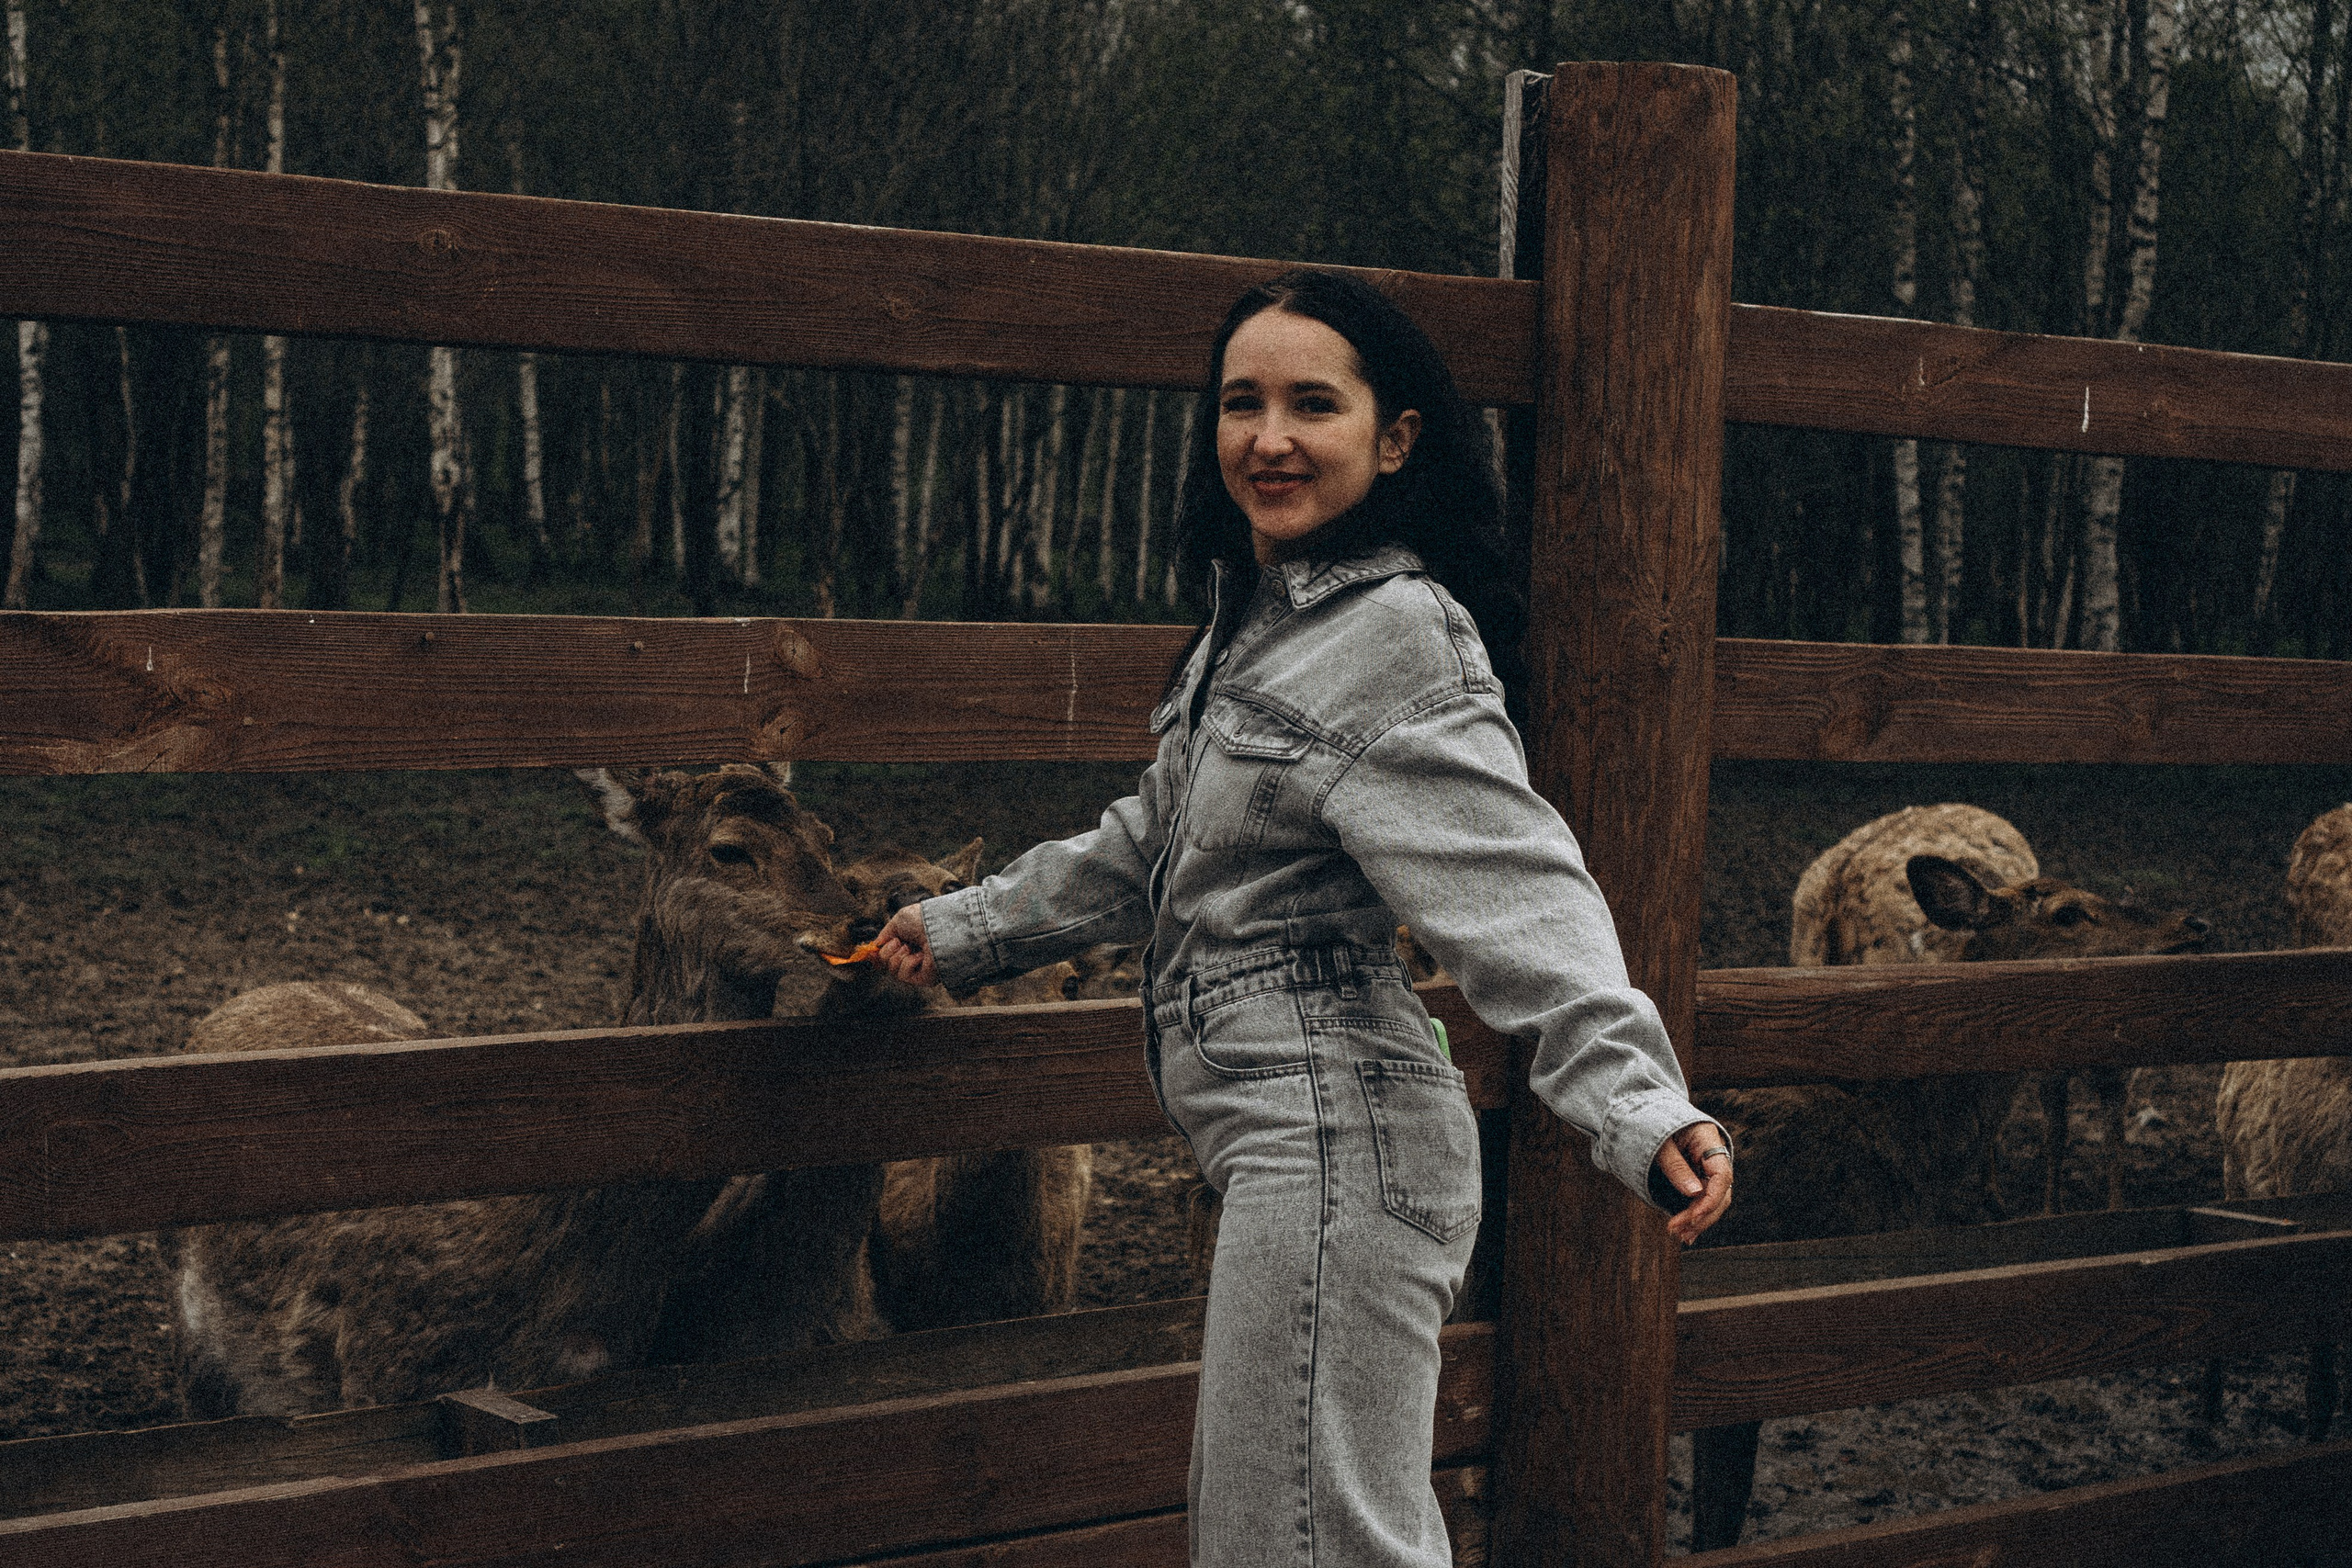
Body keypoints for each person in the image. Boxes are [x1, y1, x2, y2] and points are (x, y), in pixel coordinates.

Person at [875, 267, 1732, 1568]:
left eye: (1312, 404)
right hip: (1304, 1148)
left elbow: (1516, 887)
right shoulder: (1259, 627)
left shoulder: (1393, 635)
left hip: (1343, 1149)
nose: (1267, 437)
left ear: (1395, 440)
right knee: (1275, 1540)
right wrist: (964, 928)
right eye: (1241, 403)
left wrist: (1640, 1103)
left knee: (1313, 1548)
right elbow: (1152, 840)